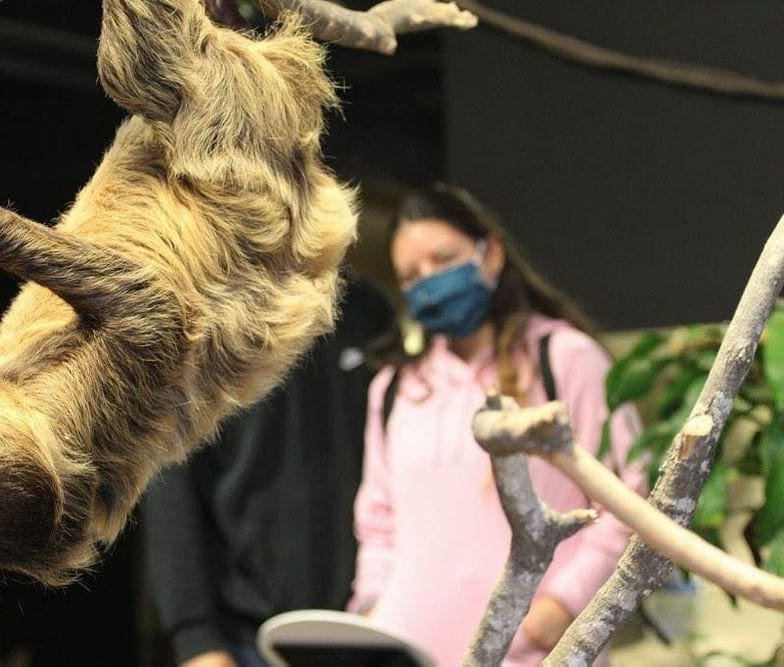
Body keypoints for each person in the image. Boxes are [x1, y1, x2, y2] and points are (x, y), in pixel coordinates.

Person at [349, 184, 645, 665]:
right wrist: (370, 610)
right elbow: (378, 523)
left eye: (443, 259)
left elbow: (630, 506)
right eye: (410, 276)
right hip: (414, 654)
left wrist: (558, 608)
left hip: (533, 655)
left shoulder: (565, 358)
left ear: (491, 254)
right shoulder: (393, 388)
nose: (428, 281)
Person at [144, 271, 394, 667]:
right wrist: (196, 639)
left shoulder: (367, 310)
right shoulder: (200, 318)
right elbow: (170, 488)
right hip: (249, 639)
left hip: (370, 628)